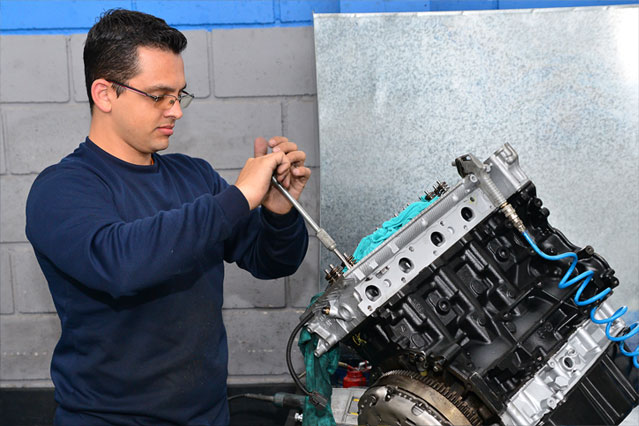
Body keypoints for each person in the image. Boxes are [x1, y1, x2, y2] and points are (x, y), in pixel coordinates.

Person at [25, 9, 310, 426]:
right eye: (159, 96)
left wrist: (278, 211)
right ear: (105, 94)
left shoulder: (195, 177)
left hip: (208, 417)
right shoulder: (61, 189)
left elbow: (274, 262)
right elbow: (121, 264)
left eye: (180, 95)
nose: (176, 110)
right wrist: (238, 196)